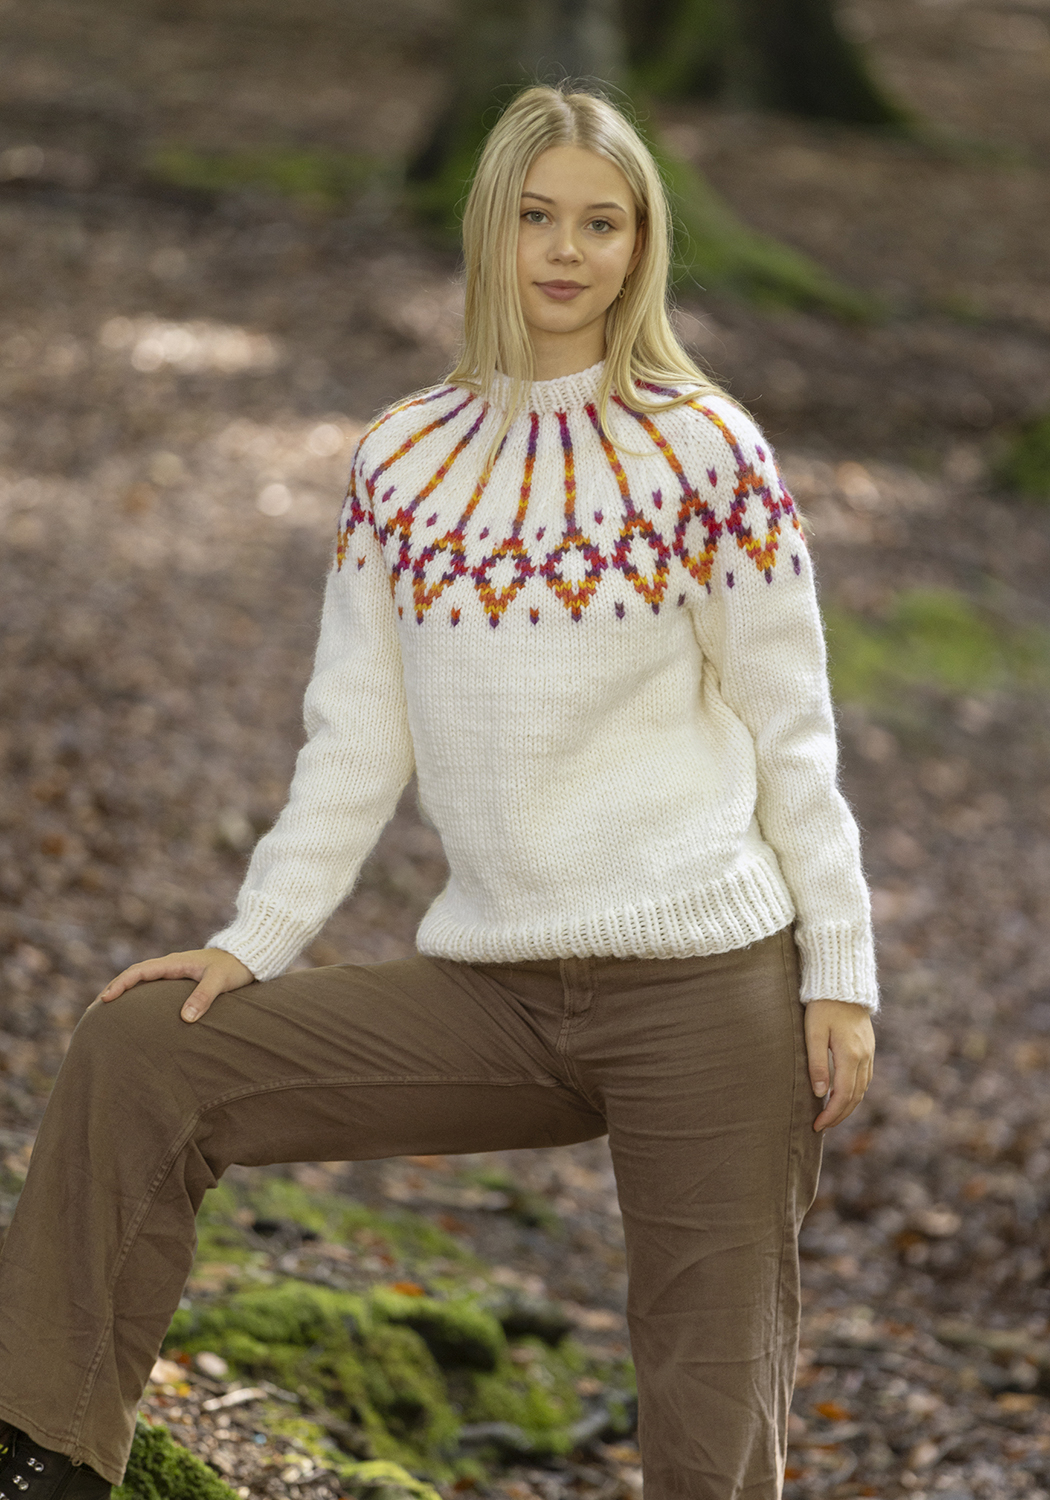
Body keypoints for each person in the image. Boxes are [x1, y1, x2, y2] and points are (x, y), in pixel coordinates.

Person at [0, 83, 876, 1500]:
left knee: (709, 1406)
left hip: (708, 992)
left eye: (601, 223)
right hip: (499, 991)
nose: (567, 250)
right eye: (537, 216)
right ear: (489, 229)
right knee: (145, 1053)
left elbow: (794, 730)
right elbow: (355, 739)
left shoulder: (707, 450)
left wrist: (839, 970)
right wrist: (253, 941)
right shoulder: (402, 459)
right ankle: (43, 1455)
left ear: (642, 243)